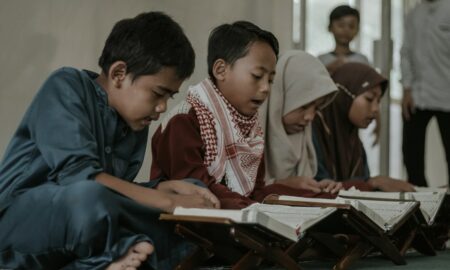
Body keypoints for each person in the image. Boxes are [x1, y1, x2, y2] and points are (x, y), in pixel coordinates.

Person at [0, 12, 220, 270]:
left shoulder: (134, 122)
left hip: (89, 224)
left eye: (169, 97)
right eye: (158, 93)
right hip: (18, 228)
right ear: (118, 73)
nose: (161, 108)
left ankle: (117, 256)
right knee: (89, 198)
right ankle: (116, 256)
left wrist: (162, 189)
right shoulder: (65, 85)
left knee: (189, 188)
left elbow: (117, 190)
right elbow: (80, 178)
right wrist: (168, 202)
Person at [151, 21, 333, 210]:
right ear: (221, 70)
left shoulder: (251, 128)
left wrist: (319, 200)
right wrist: (257, 209)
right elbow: (198, 190)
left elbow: (256, 191)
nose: (265, 89)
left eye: (270, 80)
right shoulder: (185, 121)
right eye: (256, 76)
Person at [313, 63, 415, 192]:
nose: (376, 109)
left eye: (378, 101)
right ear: (344, 96)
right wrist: (371, 183)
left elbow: (361, 181)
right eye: (369, 99)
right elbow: (317, 188)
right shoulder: (312, 130)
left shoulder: (353, 141)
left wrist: (373, 184)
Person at [260, 50, 343, 193]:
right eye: (303, 106)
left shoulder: (307, 134)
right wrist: (281, 185)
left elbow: (308, 179)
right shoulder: (248, 134)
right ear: (280, 97)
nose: (309, 117)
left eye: (316, 108)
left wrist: (319, 184)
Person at [401, 0, 450, 187]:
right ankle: (419, 204)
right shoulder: (414, 13)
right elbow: (405, 52)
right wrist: (407, 87)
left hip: (447, 95)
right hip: (417, 96)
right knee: (411, 155)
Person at [318, 5, 369, 75]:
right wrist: (327, 69)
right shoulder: (321, 61)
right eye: (341, 25)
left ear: (357, 30)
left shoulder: (363, 60)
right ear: (330, 27)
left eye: (351, 26)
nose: (346, 30)